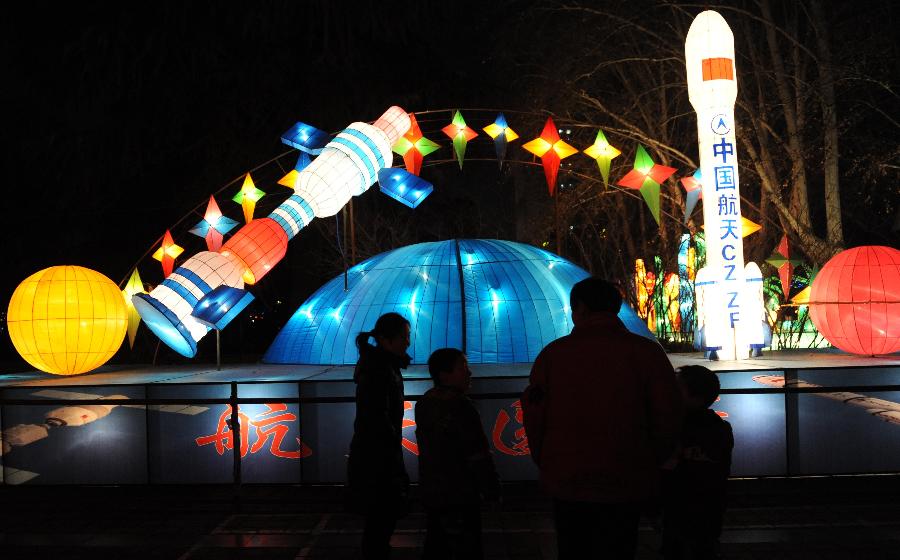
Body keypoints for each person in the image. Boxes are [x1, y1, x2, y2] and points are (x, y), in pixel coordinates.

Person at [521, 277, 682, 559]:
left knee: (574, 548)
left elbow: (535, 415)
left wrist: (546, 459)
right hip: (627, 475)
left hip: (567, 477)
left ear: (580, 309)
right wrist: (649, 460)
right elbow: (668, 415)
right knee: (620, 546)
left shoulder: (553, 355)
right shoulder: (647, 353)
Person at [415, 348, 501, 560]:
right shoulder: (462, 407)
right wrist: (491, 489)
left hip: (434, 491)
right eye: (462, 368)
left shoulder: (424, 404)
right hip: (462, 493)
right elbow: (478, 453)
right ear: (444, 375)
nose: (469, 373)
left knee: (437, 543)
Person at [346, 312, 412, 560]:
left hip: (376, 454)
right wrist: (391, 451)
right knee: (381, 517)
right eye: (404, 337)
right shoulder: (379, 369)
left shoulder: (381, 365)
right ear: (386, 339)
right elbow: (376, 416)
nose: (408, 342)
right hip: (378, 457)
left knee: (380, 519)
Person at [661, 365, 734, 560]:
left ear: (694, 396)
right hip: (709, 506)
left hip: (678, 505)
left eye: (677, 389)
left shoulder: (673, 426)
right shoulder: (720, 429)